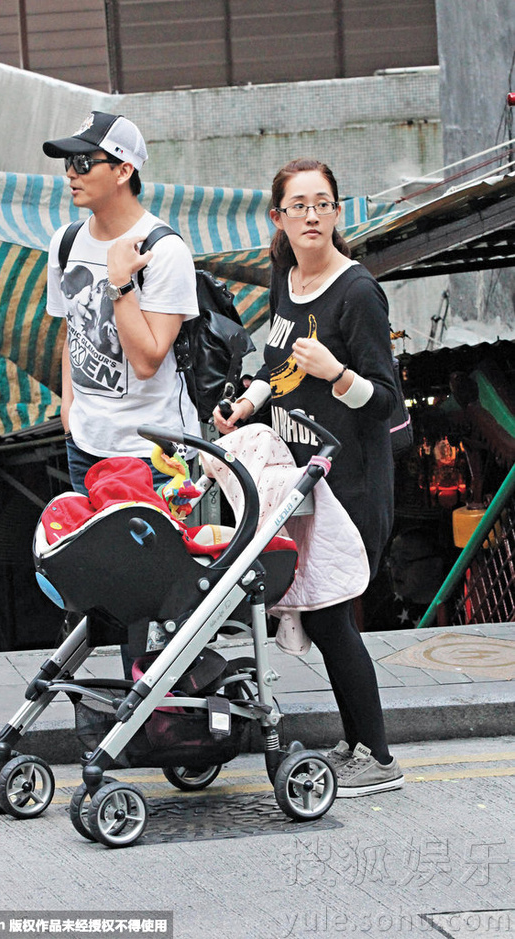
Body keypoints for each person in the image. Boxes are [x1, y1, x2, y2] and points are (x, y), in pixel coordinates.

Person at [213, 158, 404, 798]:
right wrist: (248, 400)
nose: (313, 215)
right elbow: (279, 365)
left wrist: (336, 374)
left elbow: (385, 401)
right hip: (304, 480)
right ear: (279, 218)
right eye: (299, 205)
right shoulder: (286, 279)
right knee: (325, 621)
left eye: (323, 203)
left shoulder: (357, 294)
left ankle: (377, 757)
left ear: (338, 213)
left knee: (331, 621)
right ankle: (356, 745)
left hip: (351, 484)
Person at [43, 111, 200, 671]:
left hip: (154, 450)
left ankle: (164, 715)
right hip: (87, 442)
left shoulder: (164, 250)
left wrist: (118, 284)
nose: (71, 173)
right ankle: (128, 711)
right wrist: (69, 407)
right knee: (101, 580)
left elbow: (150, 355)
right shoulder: (65, 242)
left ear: (124, 169)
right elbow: (69, 329)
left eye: (84, 162)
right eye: (67, 163)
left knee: (156, 596)